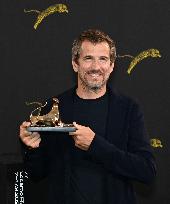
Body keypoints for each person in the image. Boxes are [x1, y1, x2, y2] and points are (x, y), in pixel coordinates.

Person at [19, 29, 156, 204]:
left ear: (112, 65)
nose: (96, 67)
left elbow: (146, 171)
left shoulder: (128, 108)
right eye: (88, 58)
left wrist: (95, 144)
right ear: (75, 64)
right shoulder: (55, 107)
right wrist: (32, 147)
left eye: (103, 59)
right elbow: (37, 174)